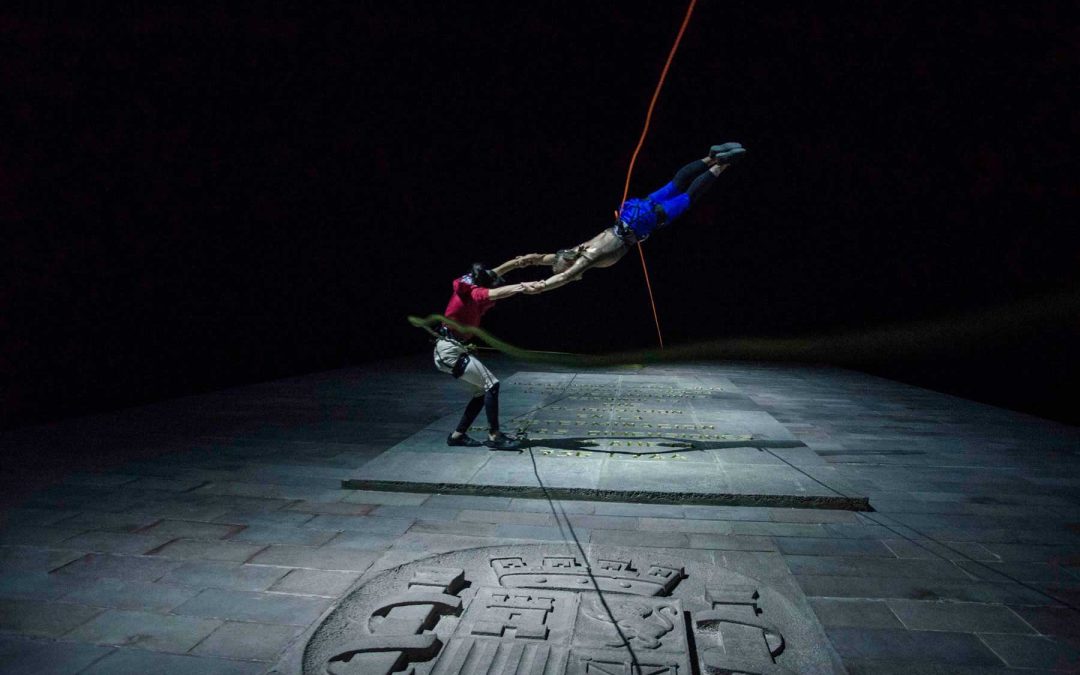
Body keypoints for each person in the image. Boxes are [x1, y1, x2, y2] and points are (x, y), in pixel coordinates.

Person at [515, 143, 746, 293]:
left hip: (644, 222)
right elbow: (540, 258)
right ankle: (711, 157)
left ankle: (721, 165)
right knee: (676, 183)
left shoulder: (585, 259)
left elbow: (563, 276)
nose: (573, 277)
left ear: (568, 265)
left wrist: (541, 286)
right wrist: (509, 266)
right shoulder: (576, 249)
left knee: (688, 197)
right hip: (633, 210)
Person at [435, 261, 541, 450]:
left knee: (481, 392)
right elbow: (493, 293)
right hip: (448, 351)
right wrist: (522, 286)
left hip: (454, 348)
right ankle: (495, 436)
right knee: (491, 384)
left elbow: (496, 273)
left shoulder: (471, 281)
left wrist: (519, 262)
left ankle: (457, 436)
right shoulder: (473, 291)